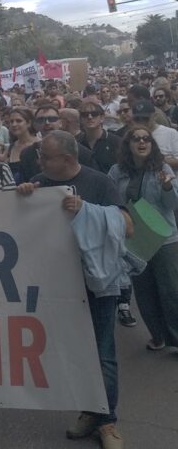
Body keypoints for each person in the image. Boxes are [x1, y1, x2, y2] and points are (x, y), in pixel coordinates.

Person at [17, 130, 131, 449]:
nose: (39, 162)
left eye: (46, 157)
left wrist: (87, 211)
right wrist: (22, 197)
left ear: (67, 159)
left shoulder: (99, 182)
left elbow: (127, 224)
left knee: (103, 352)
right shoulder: (38, 182)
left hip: (96, 283)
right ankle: (90, 411)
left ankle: (108, 422)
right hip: (57, 283)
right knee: (76, 352)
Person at [108, 126, 178, 351]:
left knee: (170, 290)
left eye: (146, 139)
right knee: (144, 290)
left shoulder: (162, 168)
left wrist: (168, 186)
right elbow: (111, 200)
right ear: (128, 144)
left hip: (164, 238)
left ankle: (175, 339)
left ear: (152, 144)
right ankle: (157, 336)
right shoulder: (117, 172)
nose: (141, 142)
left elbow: (172, 205)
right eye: (135, 139)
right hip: (134, 240)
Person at [77, 101, 122, 174]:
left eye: (94, 114)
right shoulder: (77, 144)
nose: (90, 117)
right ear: (81, 119)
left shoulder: (116, 142)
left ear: (102, 118)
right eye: (85, 115)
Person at [6, 108, 37, 184]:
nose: (14, 124)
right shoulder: (11, 147)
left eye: (18, 121)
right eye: (11, 121)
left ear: (28, 123)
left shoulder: (39, 144)